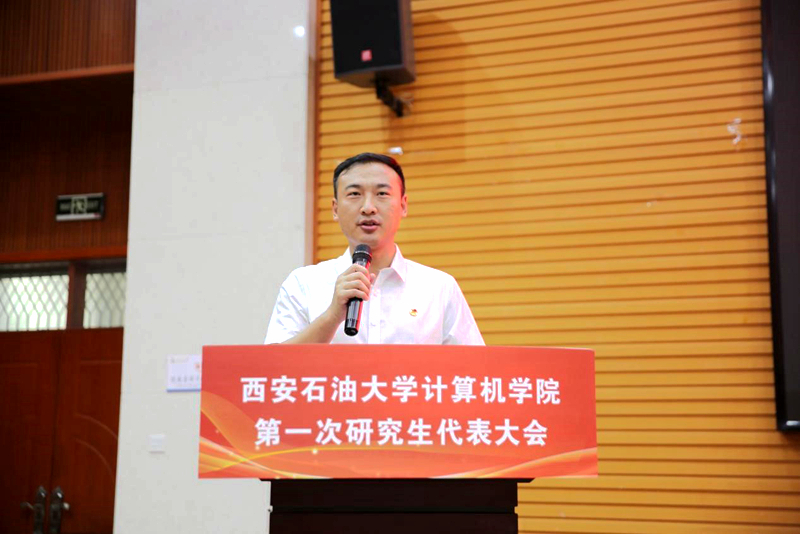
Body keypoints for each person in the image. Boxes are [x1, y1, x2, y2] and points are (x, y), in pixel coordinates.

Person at [265, 153, 484, 345]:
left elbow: (474, 369)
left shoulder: (439, 288)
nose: (368, 208)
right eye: (354, 194)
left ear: (403, 205)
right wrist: (331, 316)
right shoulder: (303, 285)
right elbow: (274, 368)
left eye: (382, 194)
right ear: (335, 209)